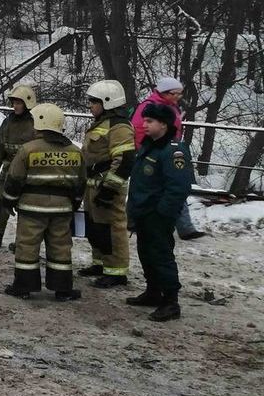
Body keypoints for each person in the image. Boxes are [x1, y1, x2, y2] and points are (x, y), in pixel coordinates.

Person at [1, 103, 87, 301]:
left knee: (27, 246)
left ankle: (23, 286)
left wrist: (9, 202)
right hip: (62, 210)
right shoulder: (75, 151)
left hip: (31, 209)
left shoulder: (28, 150)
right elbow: (81, 183)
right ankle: (62, 289)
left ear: (40, 123)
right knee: (61, 247)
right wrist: (73, 203)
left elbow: (14, 179)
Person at [126, 103, 194, 322]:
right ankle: (153, 291)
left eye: (149, 121)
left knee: (162, 255)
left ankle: (170, 301)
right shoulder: (150, 146)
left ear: (163, 125)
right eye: (144, 120)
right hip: (144, 212)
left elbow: (178, 187)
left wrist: (162, 213)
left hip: (157, 214)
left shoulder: (173, 150)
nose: (143, 124)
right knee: (146, 253)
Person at [130, 76, 206, 240]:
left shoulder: (172, 107)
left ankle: (185, 227)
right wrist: (146, 150)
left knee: (174, 185)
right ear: (164, 92)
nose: (179, 97)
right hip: (152, 151)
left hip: (168, 149)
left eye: (180, 93)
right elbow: (139, 129)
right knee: (151, 188)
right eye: (175, 93)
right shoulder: (149, 107)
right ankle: (141, 221)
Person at [80, 80, 136, 288]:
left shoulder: (119, 126)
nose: (90, 106)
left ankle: (116, 272)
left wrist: (109, 190)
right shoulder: (101, 123)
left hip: (107, 187)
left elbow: (124, 160)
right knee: (96, 227)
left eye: (94, 102)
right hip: (93, 185)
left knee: (112, 229)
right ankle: (100, 263)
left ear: (107, 102)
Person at [0, 85, 38, 251]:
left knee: (25, 210)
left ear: (27, 103)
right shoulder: (8, 122)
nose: (15, 106)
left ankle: (22, 245)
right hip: (8, 170)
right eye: (14, 102)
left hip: (28, 173)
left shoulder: (36, 123)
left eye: (19, 102)